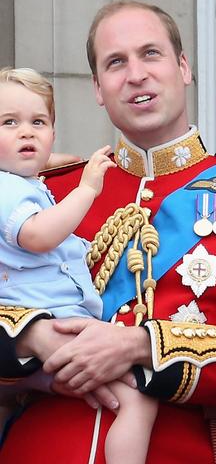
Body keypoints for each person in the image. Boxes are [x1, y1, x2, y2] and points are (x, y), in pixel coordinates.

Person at [0, 0, 216, 463]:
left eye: (151, 54)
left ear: (183, 67)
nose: (136, 74)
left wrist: (137, 345)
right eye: (116, 62)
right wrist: (31, 339)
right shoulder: (48, 194)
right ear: (98, 88)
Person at [0, 67, 157, 464]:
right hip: (52, 325)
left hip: (49, 333)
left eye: (38, 123)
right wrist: (87, 188)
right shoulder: (11, 189)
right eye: (9, 123)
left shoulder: (28, 180)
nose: (26, 133)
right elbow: (37, 235)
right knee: (140, 397)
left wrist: (59, 162)